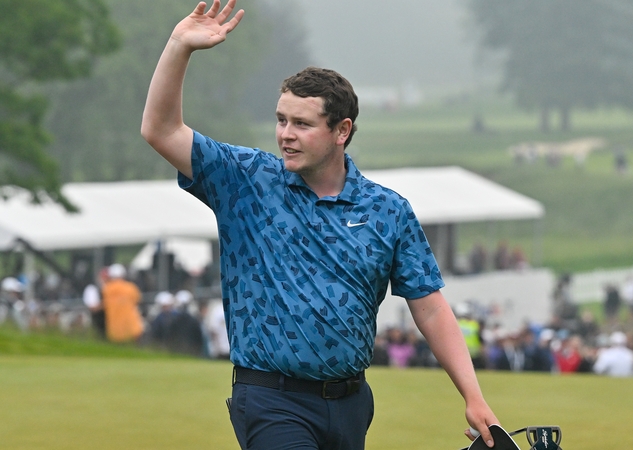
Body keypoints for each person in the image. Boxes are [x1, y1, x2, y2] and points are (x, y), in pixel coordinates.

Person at [139, 2, 499, 449]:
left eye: (302, 124)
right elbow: (160, 129)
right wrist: (179, 47)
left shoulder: (387, 210)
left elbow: (429, 306)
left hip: (350, 404)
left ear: (341, 130)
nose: (285, 134)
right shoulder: (246, 179)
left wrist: (474, 396)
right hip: (270, 398)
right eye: (281, 120)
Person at [102, 264, 145, 343]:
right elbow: (138, 301)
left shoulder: (107, 289)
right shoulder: (131, 287)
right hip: (132, 327)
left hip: (114, 330)